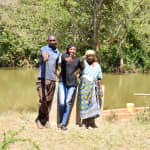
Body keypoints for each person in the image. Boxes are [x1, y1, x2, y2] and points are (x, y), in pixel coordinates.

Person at [36, 34, 60, 129]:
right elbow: (44, 56)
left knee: (48, 101)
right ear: (47, 41)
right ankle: (39, 119)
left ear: (56, 41)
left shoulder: (57, 52)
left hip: (52, 80)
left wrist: (61, 77)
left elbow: (56, 67)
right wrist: (45, 58)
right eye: (50, 40)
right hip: (42, 79)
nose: (52, 42)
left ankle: (45, 120)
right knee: (43, 100)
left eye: (53, 40)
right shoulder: (44, 49)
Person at [58, 44, 81, 130]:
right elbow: (65, 59)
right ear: (68, 49)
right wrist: (68, 59)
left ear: (76, 51)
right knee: (62, 103)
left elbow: (83, 68)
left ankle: (63, 123)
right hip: (62, 82)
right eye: (71, 49)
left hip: (73, 83)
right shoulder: (64, 55)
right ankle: (61, 121)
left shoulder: (78, 59)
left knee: (68, 102)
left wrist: (79, 74)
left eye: (74, 49)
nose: (72, 51)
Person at [78, 50, 103, 128]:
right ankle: (84, 122)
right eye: (88, 56)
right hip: (84, 86)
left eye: (91, 56)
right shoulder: (84, 63)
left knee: (94, 105)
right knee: (84, 103)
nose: (90, 57)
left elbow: (99, 78)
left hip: (94, 87)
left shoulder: (97, 65)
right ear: (86, 56)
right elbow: (80, 65)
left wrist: (100, 89)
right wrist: (82, 59)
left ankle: (91, 122)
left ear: (94, 57)